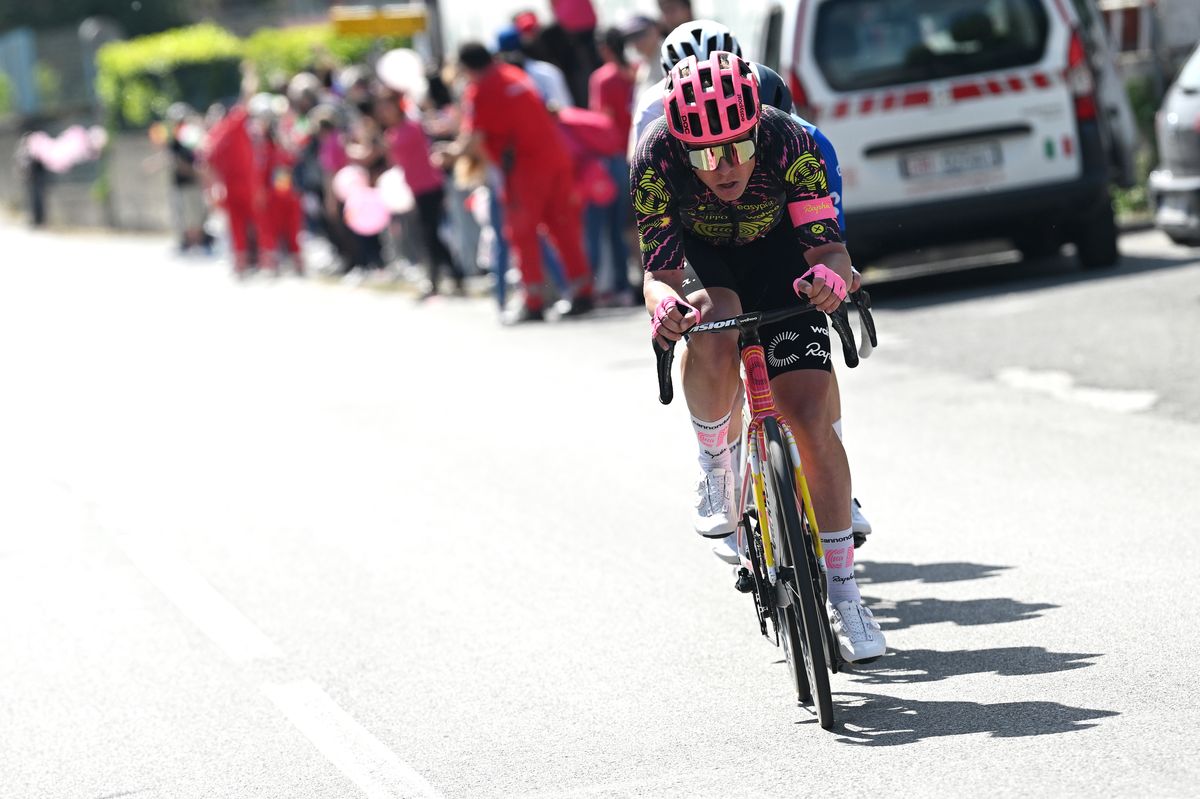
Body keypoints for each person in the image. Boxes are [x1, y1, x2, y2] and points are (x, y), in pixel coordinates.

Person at [634, 51, 885, 663]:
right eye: (703, 154)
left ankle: (846, 594)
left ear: (756, 129)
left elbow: (828, 247)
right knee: (714, 313)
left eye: (736, 149)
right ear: (680, 145)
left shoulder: (790, 140)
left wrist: (829, 280)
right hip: (703, 258)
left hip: (777, 250)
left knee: (809, 419)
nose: (721, 168)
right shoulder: (654, 155)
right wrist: (664, 306)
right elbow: (659, 273)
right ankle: (717, 467)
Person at [449, 42, 594, 323]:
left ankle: (534, 301)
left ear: (467, 68)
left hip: (524, 170)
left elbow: (474, 138)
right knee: (564, 228)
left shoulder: (481, 89)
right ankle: (582, 292)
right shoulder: (515, 75)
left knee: (522, 235)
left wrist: (450, 153)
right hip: (555, 159)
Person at [374, 87, 465, 298]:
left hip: (430, 185)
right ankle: (453, 274)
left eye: (387, 106)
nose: (384, 111)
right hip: (414, 188)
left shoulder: (413, 126)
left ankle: (436, 278)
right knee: (427, 234)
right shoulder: (391, 133)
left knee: (428, 234)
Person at [586, 26, 638, 304]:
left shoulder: (602, 79)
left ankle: (622, 284)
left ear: (605, 48)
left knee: (617, 227)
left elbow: (600, 122)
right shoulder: (636, 70)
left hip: (616, 158)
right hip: (643, 151)